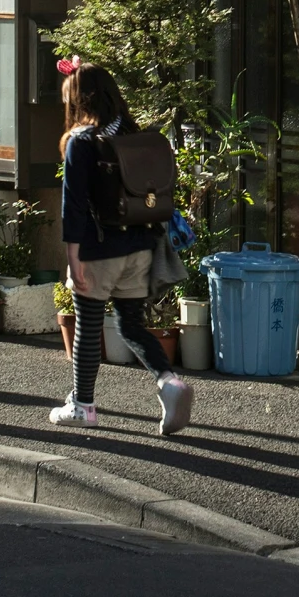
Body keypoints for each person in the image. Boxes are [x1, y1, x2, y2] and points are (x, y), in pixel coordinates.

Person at [51, 60, 193, 435]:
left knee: (88, 326)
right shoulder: (138, 135)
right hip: (141, 245)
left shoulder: (83, 142)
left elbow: (75, 205)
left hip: (100, 250)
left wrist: (72, 257)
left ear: (81, 101)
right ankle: (169, 381)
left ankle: (82, 405)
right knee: (130, 324)